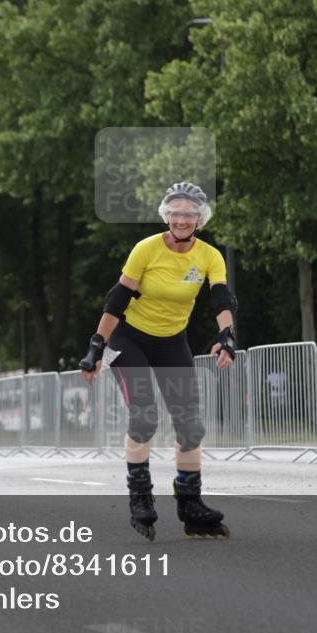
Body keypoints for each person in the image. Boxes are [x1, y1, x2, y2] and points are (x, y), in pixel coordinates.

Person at [80, 182, 237, 540]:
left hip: (171, 341)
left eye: (189, 214)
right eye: (176, 213)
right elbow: (116, 300)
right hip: (129, 338)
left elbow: (221, 300)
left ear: (200, 218)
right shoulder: (146, 249)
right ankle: (140, 495)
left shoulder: (210, 256)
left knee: (190, 425)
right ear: (167, 216)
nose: (182, 220)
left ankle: (190, 502)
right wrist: (96, 347)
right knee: (145, 415)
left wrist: (226, 338)